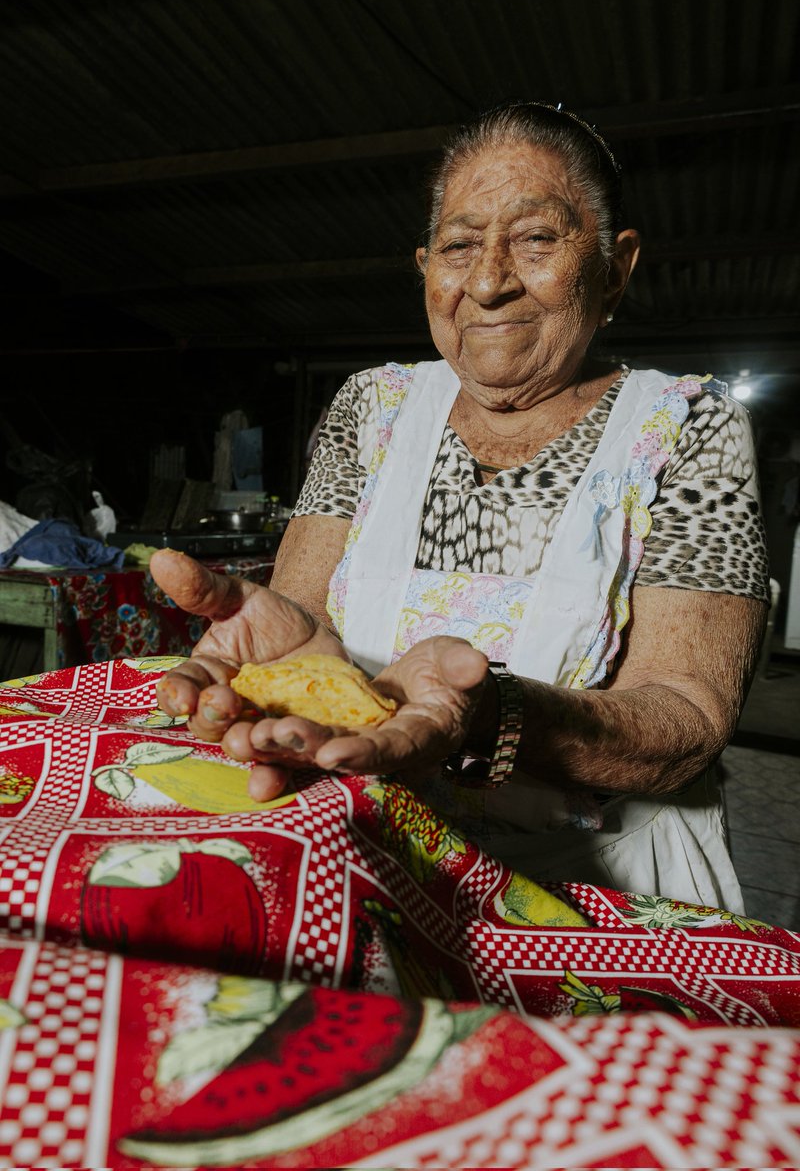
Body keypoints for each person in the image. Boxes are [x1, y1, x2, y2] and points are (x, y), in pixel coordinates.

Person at [151, 101, 770, 912]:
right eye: (459, 246)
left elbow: (685, 718)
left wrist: (492, 718)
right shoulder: (373, 408)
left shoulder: (688, 426)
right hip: (378, 858)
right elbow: (301, 627)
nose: (487, 281)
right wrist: (286, 660)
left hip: (602, 885)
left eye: (537, 238)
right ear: (425, 267)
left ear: (616, 266)